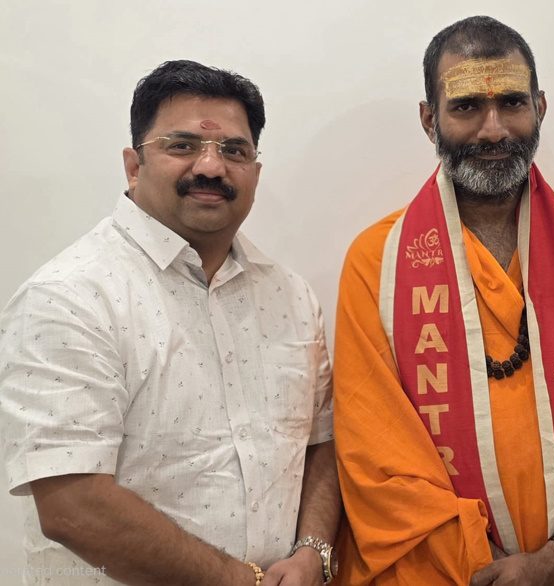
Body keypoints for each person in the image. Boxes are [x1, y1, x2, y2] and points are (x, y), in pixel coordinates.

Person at [333, 16, 554, 586]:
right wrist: (482, 568)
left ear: (541, 107)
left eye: (511, 102)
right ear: (429, 119)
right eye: (466, 107)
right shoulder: (378, 262)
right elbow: (376, 460)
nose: (493, 129)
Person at [0, 60, 340, 586]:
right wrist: (241, 581)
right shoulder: (69, 297)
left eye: (234, 150)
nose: (211, 166)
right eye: (182, 145)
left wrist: (312, 553)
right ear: (133, 166)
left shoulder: (290, 296)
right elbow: (72, 505)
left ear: (255, 171)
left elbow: (320, 442)